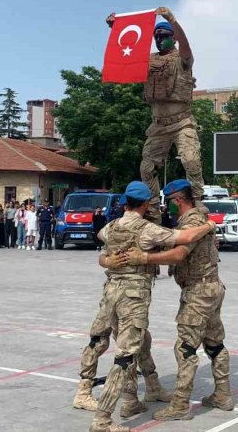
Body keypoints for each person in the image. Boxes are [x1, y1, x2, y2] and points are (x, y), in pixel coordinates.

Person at [84, 181, 215, 432]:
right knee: (126, 354)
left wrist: (108, 261)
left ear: (124, 203)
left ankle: (134, 400)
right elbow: (185, 238)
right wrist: (209, 224)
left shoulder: (110, 228)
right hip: (133, 298)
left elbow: (103, 254)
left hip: (110, 294)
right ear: (145, 204)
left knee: (138, 343)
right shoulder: (147, 230)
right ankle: (102, 419)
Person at [107, 7, 206, 221]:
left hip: (182, 122)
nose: (160, 40)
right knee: (146, 167)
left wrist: (172, 19)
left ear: (174, 38)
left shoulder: (183, 59)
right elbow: (126, 51)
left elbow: (186, 44)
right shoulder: (147, 60)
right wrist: (116, 28)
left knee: (191, 160)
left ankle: (198, 200)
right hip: (158, 125)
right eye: (157, 37)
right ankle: (152, 207)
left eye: (165, 36)